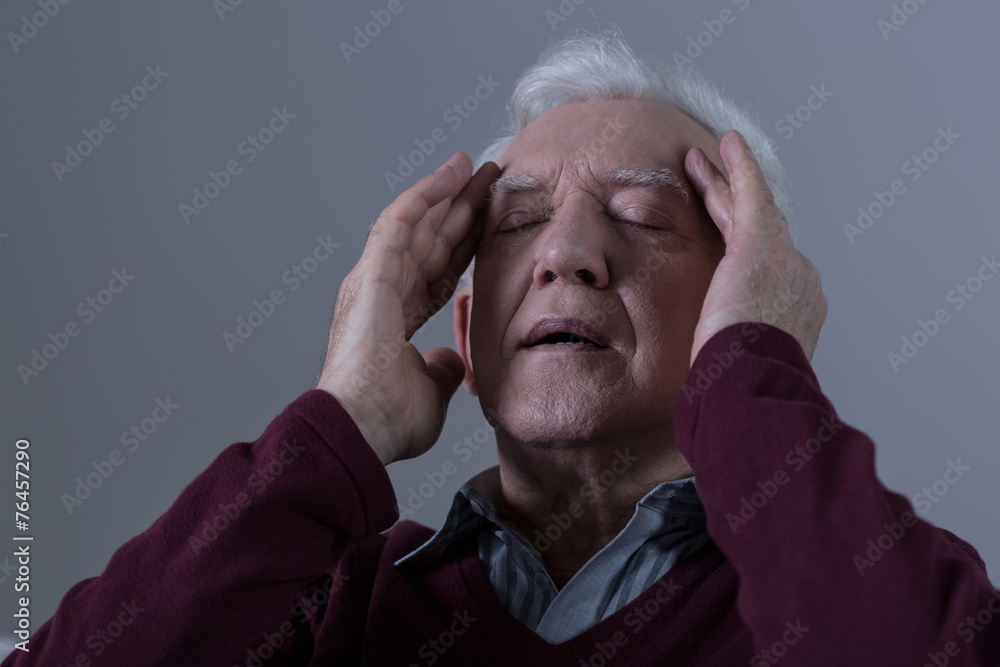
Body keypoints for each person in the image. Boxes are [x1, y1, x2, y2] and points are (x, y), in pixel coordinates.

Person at [9, 29, 999, 666]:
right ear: (469, 339)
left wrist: (753, 376)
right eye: (518, 225)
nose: (565, 254)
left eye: (643, 218)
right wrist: (341, 424)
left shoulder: (830, 586)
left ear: (747, 302)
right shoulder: (330, 606)